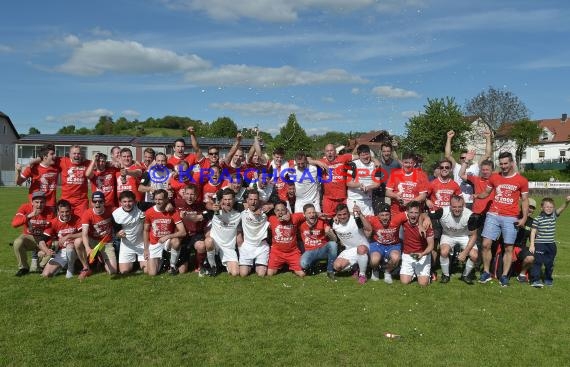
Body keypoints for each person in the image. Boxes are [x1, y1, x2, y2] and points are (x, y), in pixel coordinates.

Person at [478, 152, 529, 287]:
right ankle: (486, 272)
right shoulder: (494, 178)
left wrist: (523, 218)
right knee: (485, 244)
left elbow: (524, 200)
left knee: (508, 247)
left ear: (512, 163)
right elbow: (486, 193)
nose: (503, 166)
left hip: (510, 217)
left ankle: (505, 276)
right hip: (493, 214)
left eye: (506, 163)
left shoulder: (522, 180)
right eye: (501, 164)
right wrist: (476, 196)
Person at [432, 195, 479, 284]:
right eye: (454, 207)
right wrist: (426, 219)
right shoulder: (442, 211)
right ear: (450, 206)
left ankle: (465, 275)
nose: (457, 209)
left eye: (460, 207)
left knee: (474, 255)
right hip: (448, 235)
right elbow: (426, 214)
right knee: (444, 252)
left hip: (464, 236)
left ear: (463, 206)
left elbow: (474, 235)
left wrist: (465, 253)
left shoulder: (470, 215)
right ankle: (445, 275)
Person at [11, 191, 55, 276]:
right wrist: (28, 216)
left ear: (45, 202)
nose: (39, 205)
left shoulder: (50, 211)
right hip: (29, 237)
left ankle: (43, 265)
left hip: (44, 238)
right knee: (17, 242)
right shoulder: (25, 207)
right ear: (32, 202)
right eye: (36, 202)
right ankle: (23, 268)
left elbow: (50, 230)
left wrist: (44, 247)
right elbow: (14, 224)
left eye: (42, 202)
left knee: (55, 245)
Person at [143, 189, 186, 276]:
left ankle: (172, 265)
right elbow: (146, 230)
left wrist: (168, 237)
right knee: (152, 273)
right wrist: (146, 249)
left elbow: (183, 232)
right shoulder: (149, 212)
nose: (157, 202)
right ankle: (163, 260)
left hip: (167, 242)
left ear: (166, 200)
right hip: (155, 243)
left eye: (160, 199)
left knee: (176, 241)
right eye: (156, 199)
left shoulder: (173, 212)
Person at [529, 196, 570, 287]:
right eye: (547, 207)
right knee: (538, 262)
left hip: (551, 245)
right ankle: (535, 280)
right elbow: (533, 232)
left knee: (549, 263)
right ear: (542, 208)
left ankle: (548, 279)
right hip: (540, 244)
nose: (549, 209)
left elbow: (562, 208)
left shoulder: (554, 216)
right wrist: (532, 244)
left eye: (551, 207)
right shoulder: (537, 219)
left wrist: (566, 202)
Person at [445, 130, 492, 209]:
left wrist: (488, 138)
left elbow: (487, 155)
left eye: (466, 157)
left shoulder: (475, 167)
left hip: (473, 200)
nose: (464, 159)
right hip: (458, 201)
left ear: (469, 157)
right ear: (459, 159)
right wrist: (449, 138)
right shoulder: (456, 166)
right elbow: (448, 155)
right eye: (462, 157)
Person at [79, 191, 118, 279]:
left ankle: (102, 259)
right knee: (78, 241)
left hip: (106, 242)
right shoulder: (87, 213)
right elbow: (84, 234)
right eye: (95, 201)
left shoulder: (112, 210)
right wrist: (87, 248)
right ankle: (86, 267)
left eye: (100, 201)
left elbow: (124, 210)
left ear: (104, 202)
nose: (97, 203)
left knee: (113, 271)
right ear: (91, 202)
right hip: (92, 240)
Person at [204, 188, 242, 276]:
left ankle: (221, 264)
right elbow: (208, 205)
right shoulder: (216, 211)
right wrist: (212, 206)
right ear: (222, 200)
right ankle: (212, 266)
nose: (227, 202)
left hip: (229, 248)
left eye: (230, 199)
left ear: (234, 200)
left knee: (235, 273)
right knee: (208, 241)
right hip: (215, 244)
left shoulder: (238, 213)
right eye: (225, 199)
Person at [396, 201, 434, 286]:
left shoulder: (426, 225)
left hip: (422, 255)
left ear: (419, 213)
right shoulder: (403, 222)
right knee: (404, 282)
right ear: (407, 213)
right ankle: (413, 273)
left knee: (423, 284)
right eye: (411, 212)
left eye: (416, 213)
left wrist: (422, 254)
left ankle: (428, 274)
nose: (413, 215)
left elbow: (431, 245)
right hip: (407, 255)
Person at [332, 203, 371, 284]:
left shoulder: (355, 219)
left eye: (344, 214)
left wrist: (360, 214)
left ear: (348, 213)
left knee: (361, 249)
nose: (342, 216)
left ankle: (362, 274)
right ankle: (356, 267)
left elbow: (369, 231)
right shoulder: (335, 224)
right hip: (349, 250)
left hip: (363, 248)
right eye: (339, 215)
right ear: (336, 215)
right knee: (337, 266)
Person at [42, 199, 82, 278]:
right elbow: (42, 240)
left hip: (77, 249)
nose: (65, 214)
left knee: (70, 247)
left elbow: (84, 234)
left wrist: (68, 236)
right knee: (46, 275)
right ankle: (66, 264)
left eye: (67, 211)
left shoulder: (77, 219)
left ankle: (70, 269)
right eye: (62, 212)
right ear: (58, 212)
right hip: (62, 251)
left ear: (71, 210)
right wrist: (45, 250)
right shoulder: (53, 222)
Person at [298, 203, 338, 280]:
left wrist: (329, 233)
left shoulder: (322, 222)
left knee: (333, 244)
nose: (312, 215)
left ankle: (330, 270)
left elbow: (335, 240)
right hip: (309, 251)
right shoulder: (301, 225)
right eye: (309, 213)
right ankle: (314, 265)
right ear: (304, 215)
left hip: (322, 249)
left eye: (313, 212)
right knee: (303, 264)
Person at [266, 201, 306, 277]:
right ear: (274, 211)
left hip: (292, 252)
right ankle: (284, 265)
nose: (280, 212)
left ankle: (288, 265)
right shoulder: (271, 219)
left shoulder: (294, 217)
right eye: (277, 210)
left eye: (282, 210)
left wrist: (319, 214)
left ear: (286, 210)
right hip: (277, 252)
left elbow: (307, 214)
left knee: (302, 274)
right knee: (270, 274)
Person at [16, 144, 59, 211]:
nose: (55, 156)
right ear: (45, 156)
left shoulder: (57, 166)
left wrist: (35, 160)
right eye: (52, 154)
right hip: (36, 205)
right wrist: (18, 172)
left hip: (51, 205)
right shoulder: (33, 168)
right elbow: (18, 182)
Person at [175, 185, 208, 274]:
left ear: (196, 195)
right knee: (182, 271)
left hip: (197, 234)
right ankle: (187, 261)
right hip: (184, 235)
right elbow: (166, 203)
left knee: (201, 246)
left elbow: (206, 214)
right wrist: (168, 206)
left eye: (192, 194)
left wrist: (202, 215)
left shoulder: (201, 205)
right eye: (187, 194)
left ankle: (200, 266)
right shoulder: (177, 203)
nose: (189, 197)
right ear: (183, 194)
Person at [112, 190, 147, 274]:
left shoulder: (140, 206)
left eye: (130, 201)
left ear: (134, 201)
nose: (127, 204)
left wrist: (168, 204)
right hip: (127, 245)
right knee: (124, 271)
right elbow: (115, 232)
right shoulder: (116, 214)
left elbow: (156, 206)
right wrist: (119, 234)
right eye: (124, 202)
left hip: (142, 244)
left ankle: (141, 263)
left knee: (147, 270)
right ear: (120, 202)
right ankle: (135, 264)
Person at [366, 203, 401, 284]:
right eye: (382, 215)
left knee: (396, 258)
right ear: (378, 215)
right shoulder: (372, 219)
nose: (385, 218)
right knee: (374, 260)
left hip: (393, 245)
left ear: (390, 215)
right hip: (377, 245)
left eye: (387, 215)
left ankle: (387, 272)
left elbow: (411, 213)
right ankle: (375, 270)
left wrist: (426, 217)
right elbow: (359, 218)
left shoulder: (397, 218)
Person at [239, 190, 270, 277]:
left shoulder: (265, 212)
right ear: (247, 200)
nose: (253, 202)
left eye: (255, 199)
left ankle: (256, 264)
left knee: (261, 274)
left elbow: (280, 204)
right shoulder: (242, 211)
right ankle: (250, 264)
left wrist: (269, 206)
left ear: (259, 200)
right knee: (243, 274)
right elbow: (228, 204)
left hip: (261, 246)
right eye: (251, 199)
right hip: (247, 246)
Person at [319, 143, 353, 217]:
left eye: (331, 150)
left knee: (344, 220)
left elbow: (360, 156)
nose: (330, 152)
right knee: (328, 221)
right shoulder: (322, 161)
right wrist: (318, 162)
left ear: (335, 152)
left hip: (342, 198)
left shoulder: (343, 158)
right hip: (328, 199)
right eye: (327, 151)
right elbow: (307, 160)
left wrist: (374, 159)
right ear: (325, 153)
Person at [346, 144, 380, 216]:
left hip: (368, 201)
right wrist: (359, 185)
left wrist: (368, 187)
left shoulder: (376, 165)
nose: (365, 157)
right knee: (356, 224)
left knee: (369, 224)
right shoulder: (352, 164)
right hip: (354, 200)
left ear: (370, 154)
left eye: (367, 154)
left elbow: (377, 183)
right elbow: (348, 183)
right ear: (359, 156)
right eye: (362, 155)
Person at [372, 142, 401, 213]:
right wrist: (373, 159)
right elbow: (365, 157)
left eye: (388, 151)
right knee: (379, 214)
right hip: (378, 193)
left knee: (390, 214)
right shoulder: (376, 162)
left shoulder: (396, 163)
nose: (386, 153)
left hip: (391, 193)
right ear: (381, 152)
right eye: (384, 151)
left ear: (391, 152)